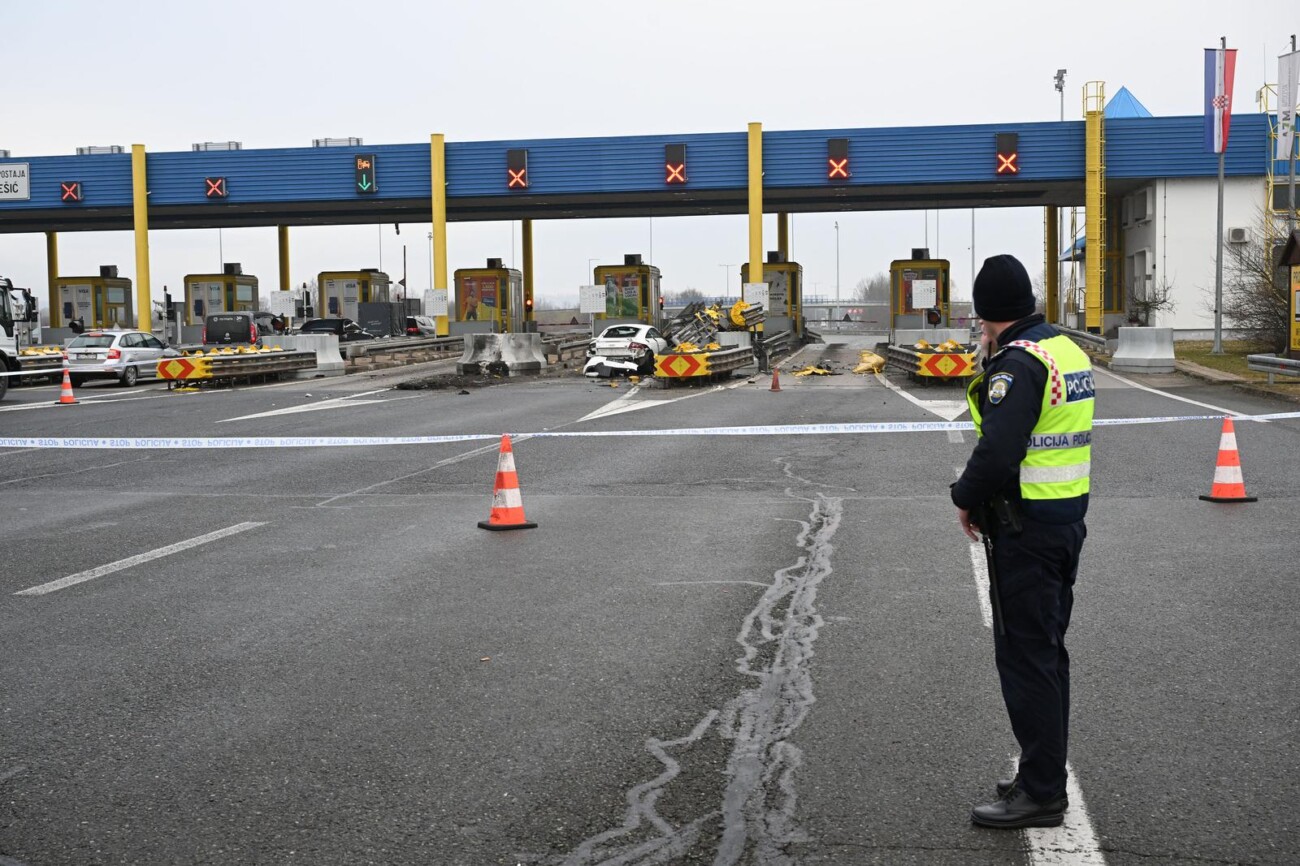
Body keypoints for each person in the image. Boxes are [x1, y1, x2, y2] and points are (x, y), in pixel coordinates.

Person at [951, 254, 1095, 829]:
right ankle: (1042, 775)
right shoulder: (1066, 350)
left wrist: (963, 495)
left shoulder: (1020, 363)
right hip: (1062, 525)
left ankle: (1040, 793)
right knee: (1048, 654)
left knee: (1027, 659)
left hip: (1028, 533)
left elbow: (999, 450)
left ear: (987, 313)